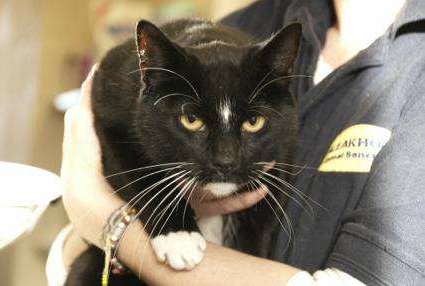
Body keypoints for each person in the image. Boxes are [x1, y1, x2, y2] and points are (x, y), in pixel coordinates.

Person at [47, 0, 425, 285]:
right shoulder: (248, 25)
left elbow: (99, 218)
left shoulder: (415, 69)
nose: (226, 159)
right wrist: (90, 225)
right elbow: (71, 253)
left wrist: (110, 222)